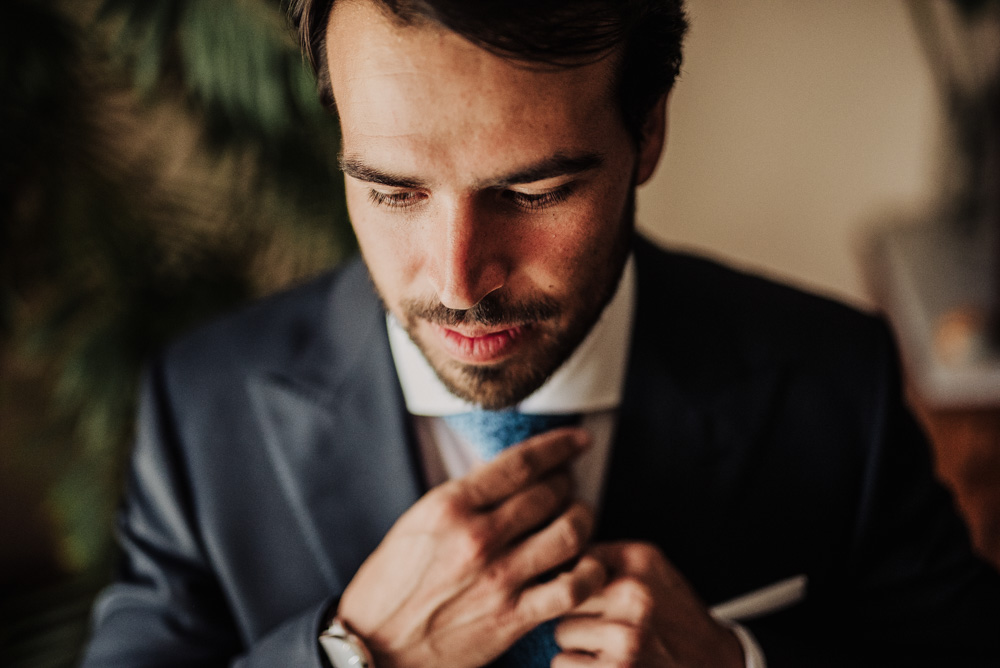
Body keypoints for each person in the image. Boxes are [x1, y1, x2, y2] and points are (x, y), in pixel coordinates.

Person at [81, 0, 1000, 666]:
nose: (458, 281)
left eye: (534, 192)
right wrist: (355, 656)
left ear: (648, 132)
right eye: (392, 191)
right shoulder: (201, 411)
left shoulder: (835, 384)